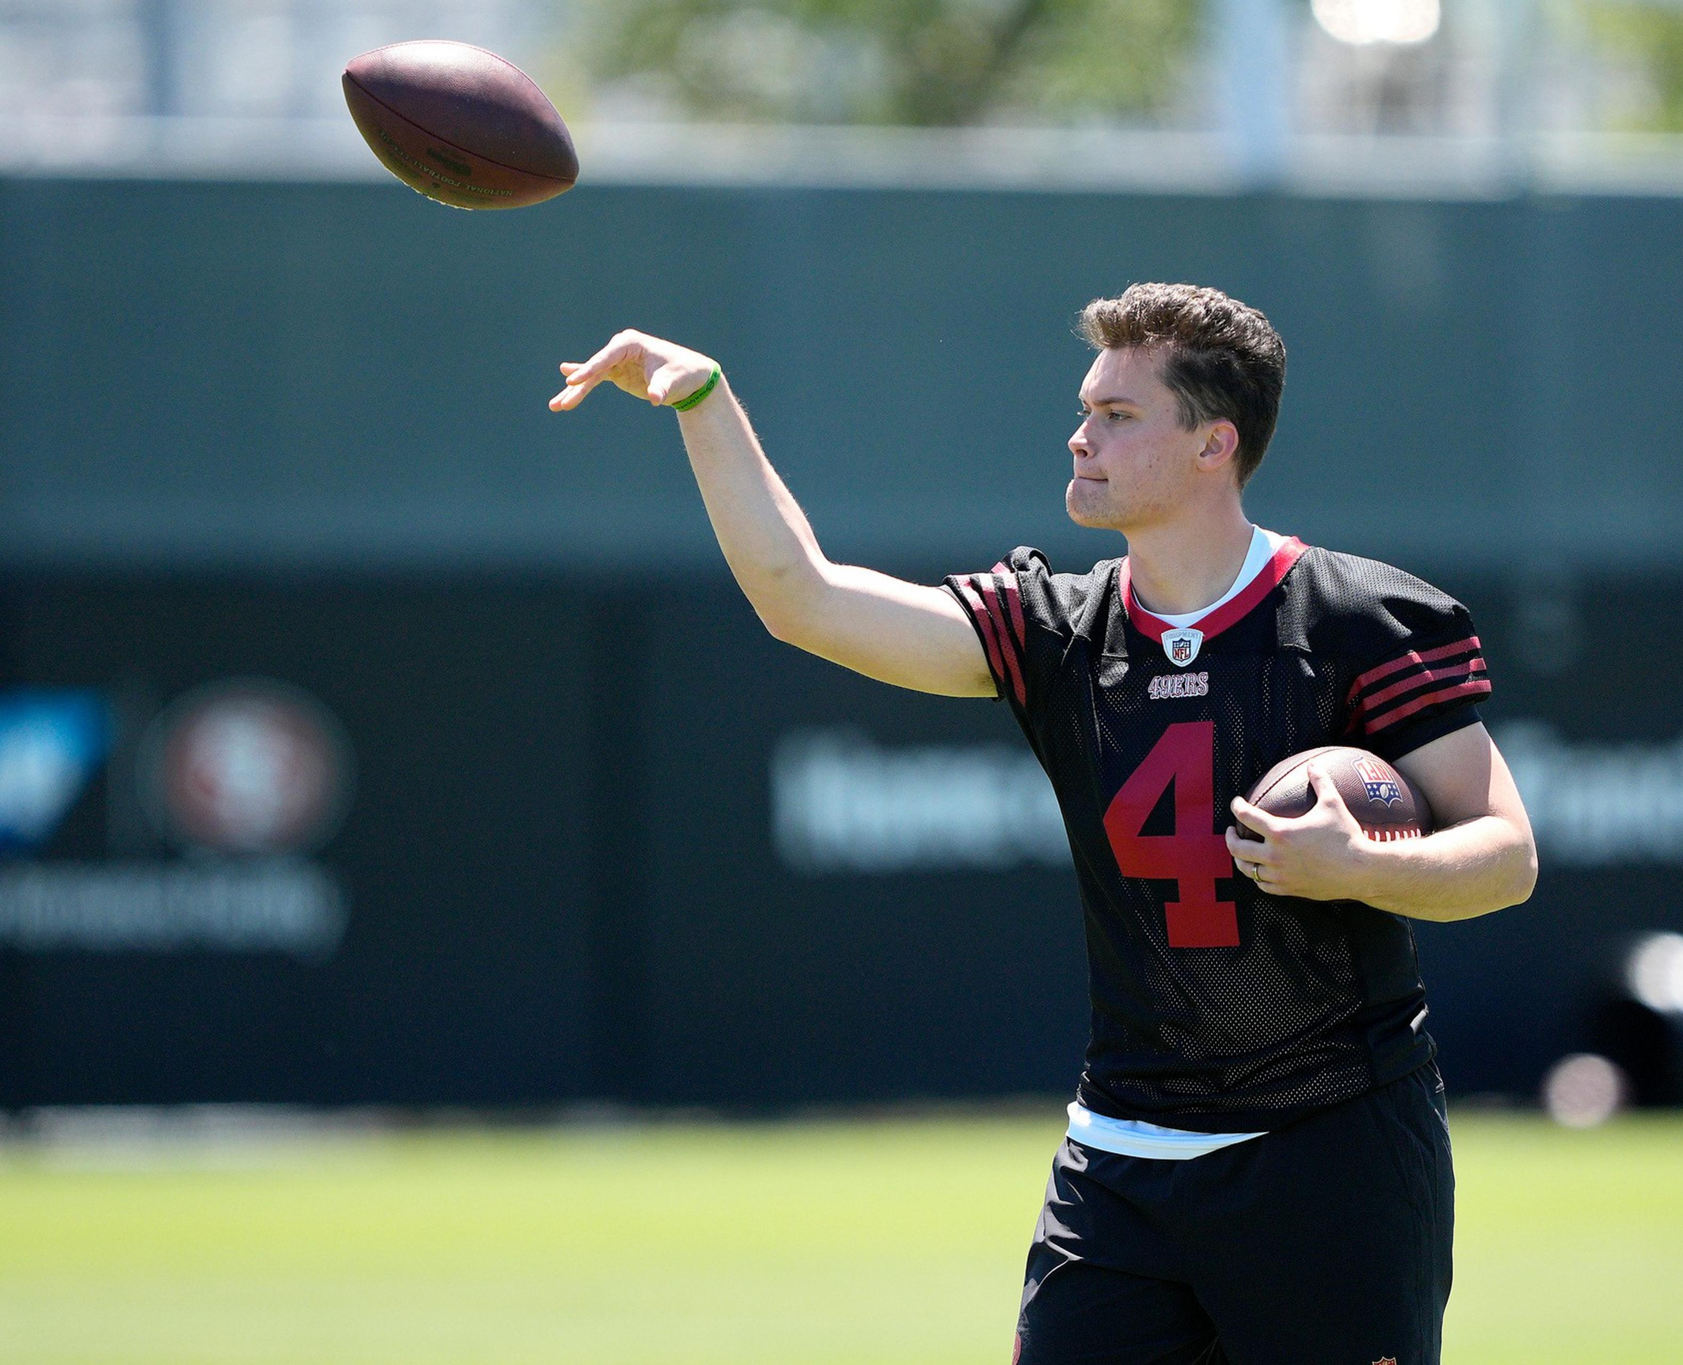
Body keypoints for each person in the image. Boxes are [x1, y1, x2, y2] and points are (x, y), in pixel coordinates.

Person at [550, 282, 1538, 1365]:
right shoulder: (1058, 626)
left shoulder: (1357, 619)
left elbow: (1504, 857)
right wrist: (703, 404)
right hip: (1122, 1156)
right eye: (1084, 408)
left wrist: (1356, 866)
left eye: (1118, 416)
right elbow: (805, 600)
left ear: (1215, 444)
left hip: (1330, 1146)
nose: (1079, 438)